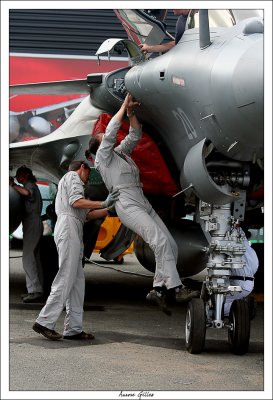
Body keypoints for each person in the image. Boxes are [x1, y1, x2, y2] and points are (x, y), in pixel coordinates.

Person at [87, 93, 198, 316]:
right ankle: (175, 288)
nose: (109, 137)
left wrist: (131, 114)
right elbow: (109, 133)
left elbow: (135, 134)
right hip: (127, 204)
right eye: (103, 137)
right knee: (160, 242)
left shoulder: (121, 154)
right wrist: (122, 106)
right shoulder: (103, 159)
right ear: (98, 146)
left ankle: (158, 289)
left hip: (140, 199)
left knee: (170, 244)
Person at [32, 160, 119, 340]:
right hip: (68, 226)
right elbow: (77, 202)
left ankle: (73, 328)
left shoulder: (72, 184)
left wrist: (109, 210)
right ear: (82, 168)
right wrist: (103, 202)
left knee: (77, 282)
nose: (88, 179)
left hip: (74, 226)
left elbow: (87, 215)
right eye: (88, 174)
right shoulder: (72, 177)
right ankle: (44, 321)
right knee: (66, 275)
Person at [10, 166, 44, 303]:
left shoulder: (30, 186)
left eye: (18, 174)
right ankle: (37, 289)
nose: (17, 177)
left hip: (32, 222)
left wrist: (12, 185)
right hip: (32, 223)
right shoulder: (31, 185)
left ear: (25, 175)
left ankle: (34, 290)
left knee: (28, 257)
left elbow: (26, 193)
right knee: (34, 257)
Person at [224, 228, 259, 317]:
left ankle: (244, 308)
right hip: (249, 285)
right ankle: (243, 305)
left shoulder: (236, 248)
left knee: (220, 301)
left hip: (237, 284)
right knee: (227, 298)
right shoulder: (252, 251)